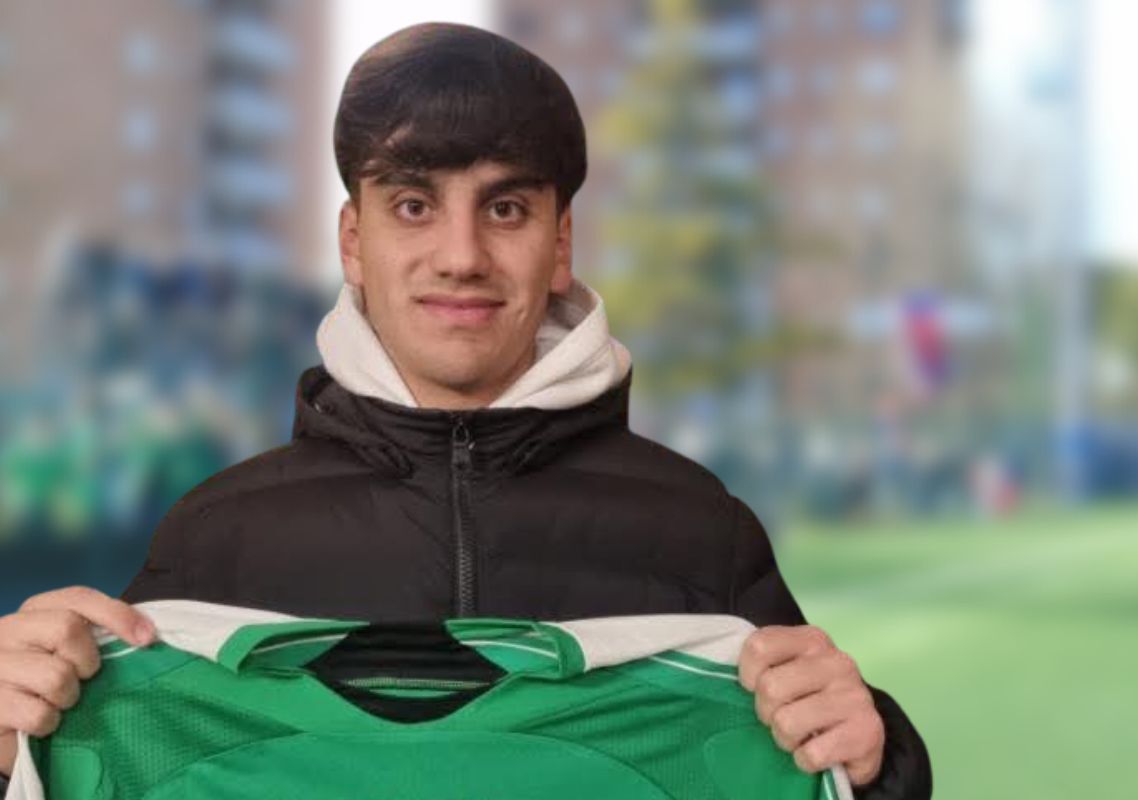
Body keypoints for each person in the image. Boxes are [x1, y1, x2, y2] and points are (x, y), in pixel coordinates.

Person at [0, 23, 931, 798]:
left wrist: (874, 759)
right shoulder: (213, 539)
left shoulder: (704, 535)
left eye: (506, 209)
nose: (461, 256)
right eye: (413, 205)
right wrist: (9, 744)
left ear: (560, 244)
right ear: (353, 241)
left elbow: (821, 764)